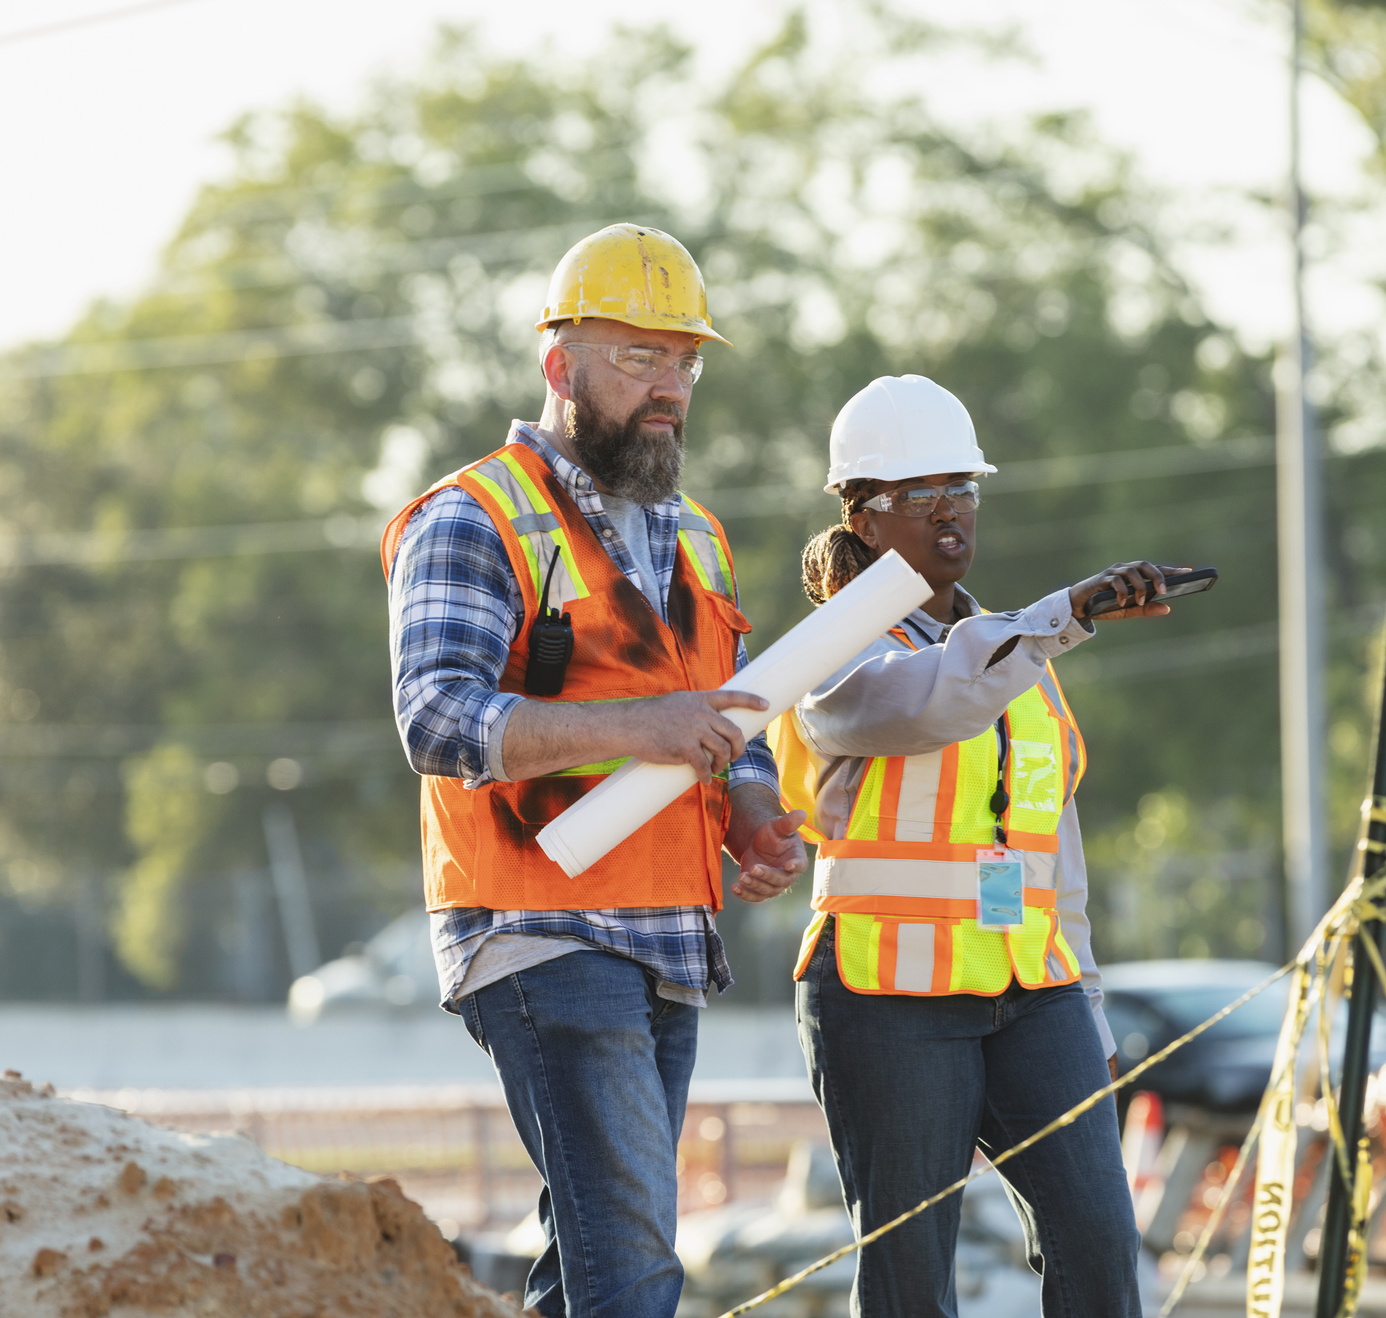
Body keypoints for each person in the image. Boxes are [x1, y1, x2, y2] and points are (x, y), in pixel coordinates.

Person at [381, 224, 809, 1317]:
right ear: (558, 363)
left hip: (667, 933)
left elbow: (731, 721)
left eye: (684, 362)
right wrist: (643, 725)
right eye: (637, 359)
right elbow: (435, 717)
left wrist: (751, 812)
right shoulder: (475, 516)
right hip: (541, 928)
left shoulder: (697, 538)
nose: (669, 387)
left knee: (592, 1265)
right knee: (633, 1268)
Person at [772, 374, 1178, 1316]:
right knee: (914, 1279)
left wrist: (1086, 1003)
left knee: (1100, 1243)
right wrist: (1060, 616)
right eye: (920, 497)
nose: (950, 515)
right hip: (888, 998)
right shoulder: (835, 652)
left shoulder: (1020, 658)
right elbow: (926, 700)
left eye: (963, 491)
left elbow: (1052, 857)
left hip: (1032, 996)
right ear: (865, 519)